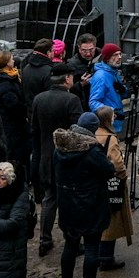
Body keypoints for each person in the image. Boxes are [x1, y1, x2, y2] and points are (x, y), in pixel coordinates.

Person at [54, 112, 116, 278]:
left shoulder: (60, 148)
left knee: (70, 245)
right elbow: (109, 171)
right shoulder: (91, 151)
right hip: (89, 204)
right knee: (91, 247)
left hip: (66, 204)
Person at [29, 62, 84, 256]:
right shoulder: (72, 100)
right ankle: (73, 241)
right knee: (70, 200)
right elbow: (77, 131)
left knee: (49, 199)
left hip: (46, 155)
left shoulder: (39, 99)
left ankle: (45, 239)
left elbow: (34, 129)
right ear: (67, 79)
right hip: (67, 158)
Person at [95, 105, 133, 267]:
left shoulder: (95, 134)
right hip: (111, 186)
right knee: (112, 223)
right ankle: (106, 258)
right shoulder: (110, 138)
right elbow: (118, 165)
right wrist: (123, 177)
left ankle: (100, 255)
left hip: (97, 184)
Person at [0, 51, 29, 176]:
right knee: (16, 152)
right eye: (12, 59)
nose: (14, 61)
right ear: (7, 63)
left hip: (15, 123)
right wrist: (25, 110)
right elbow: (13, 105)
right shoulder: (5, 83)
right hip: (13, 124)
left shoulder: (11, 77)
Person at [89, 44, 126, 130]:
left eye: (120, 54)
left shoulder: (114, 72)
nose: (119, 57)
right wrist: (112, 112)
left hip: (115, 121)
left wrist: (123, 90)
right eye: (115, 55)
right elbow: (93, 102)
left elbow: (119, 94)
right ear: (107, 58)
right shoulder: (101, 76)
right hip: (107, 123)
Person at [19, 39, 56, 106]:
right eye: (53, 51)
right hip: (44, 110)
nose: (54, 53)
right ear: (48, 53)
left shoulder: (26, 68)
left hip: (29, 109)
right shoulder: (49, 71)